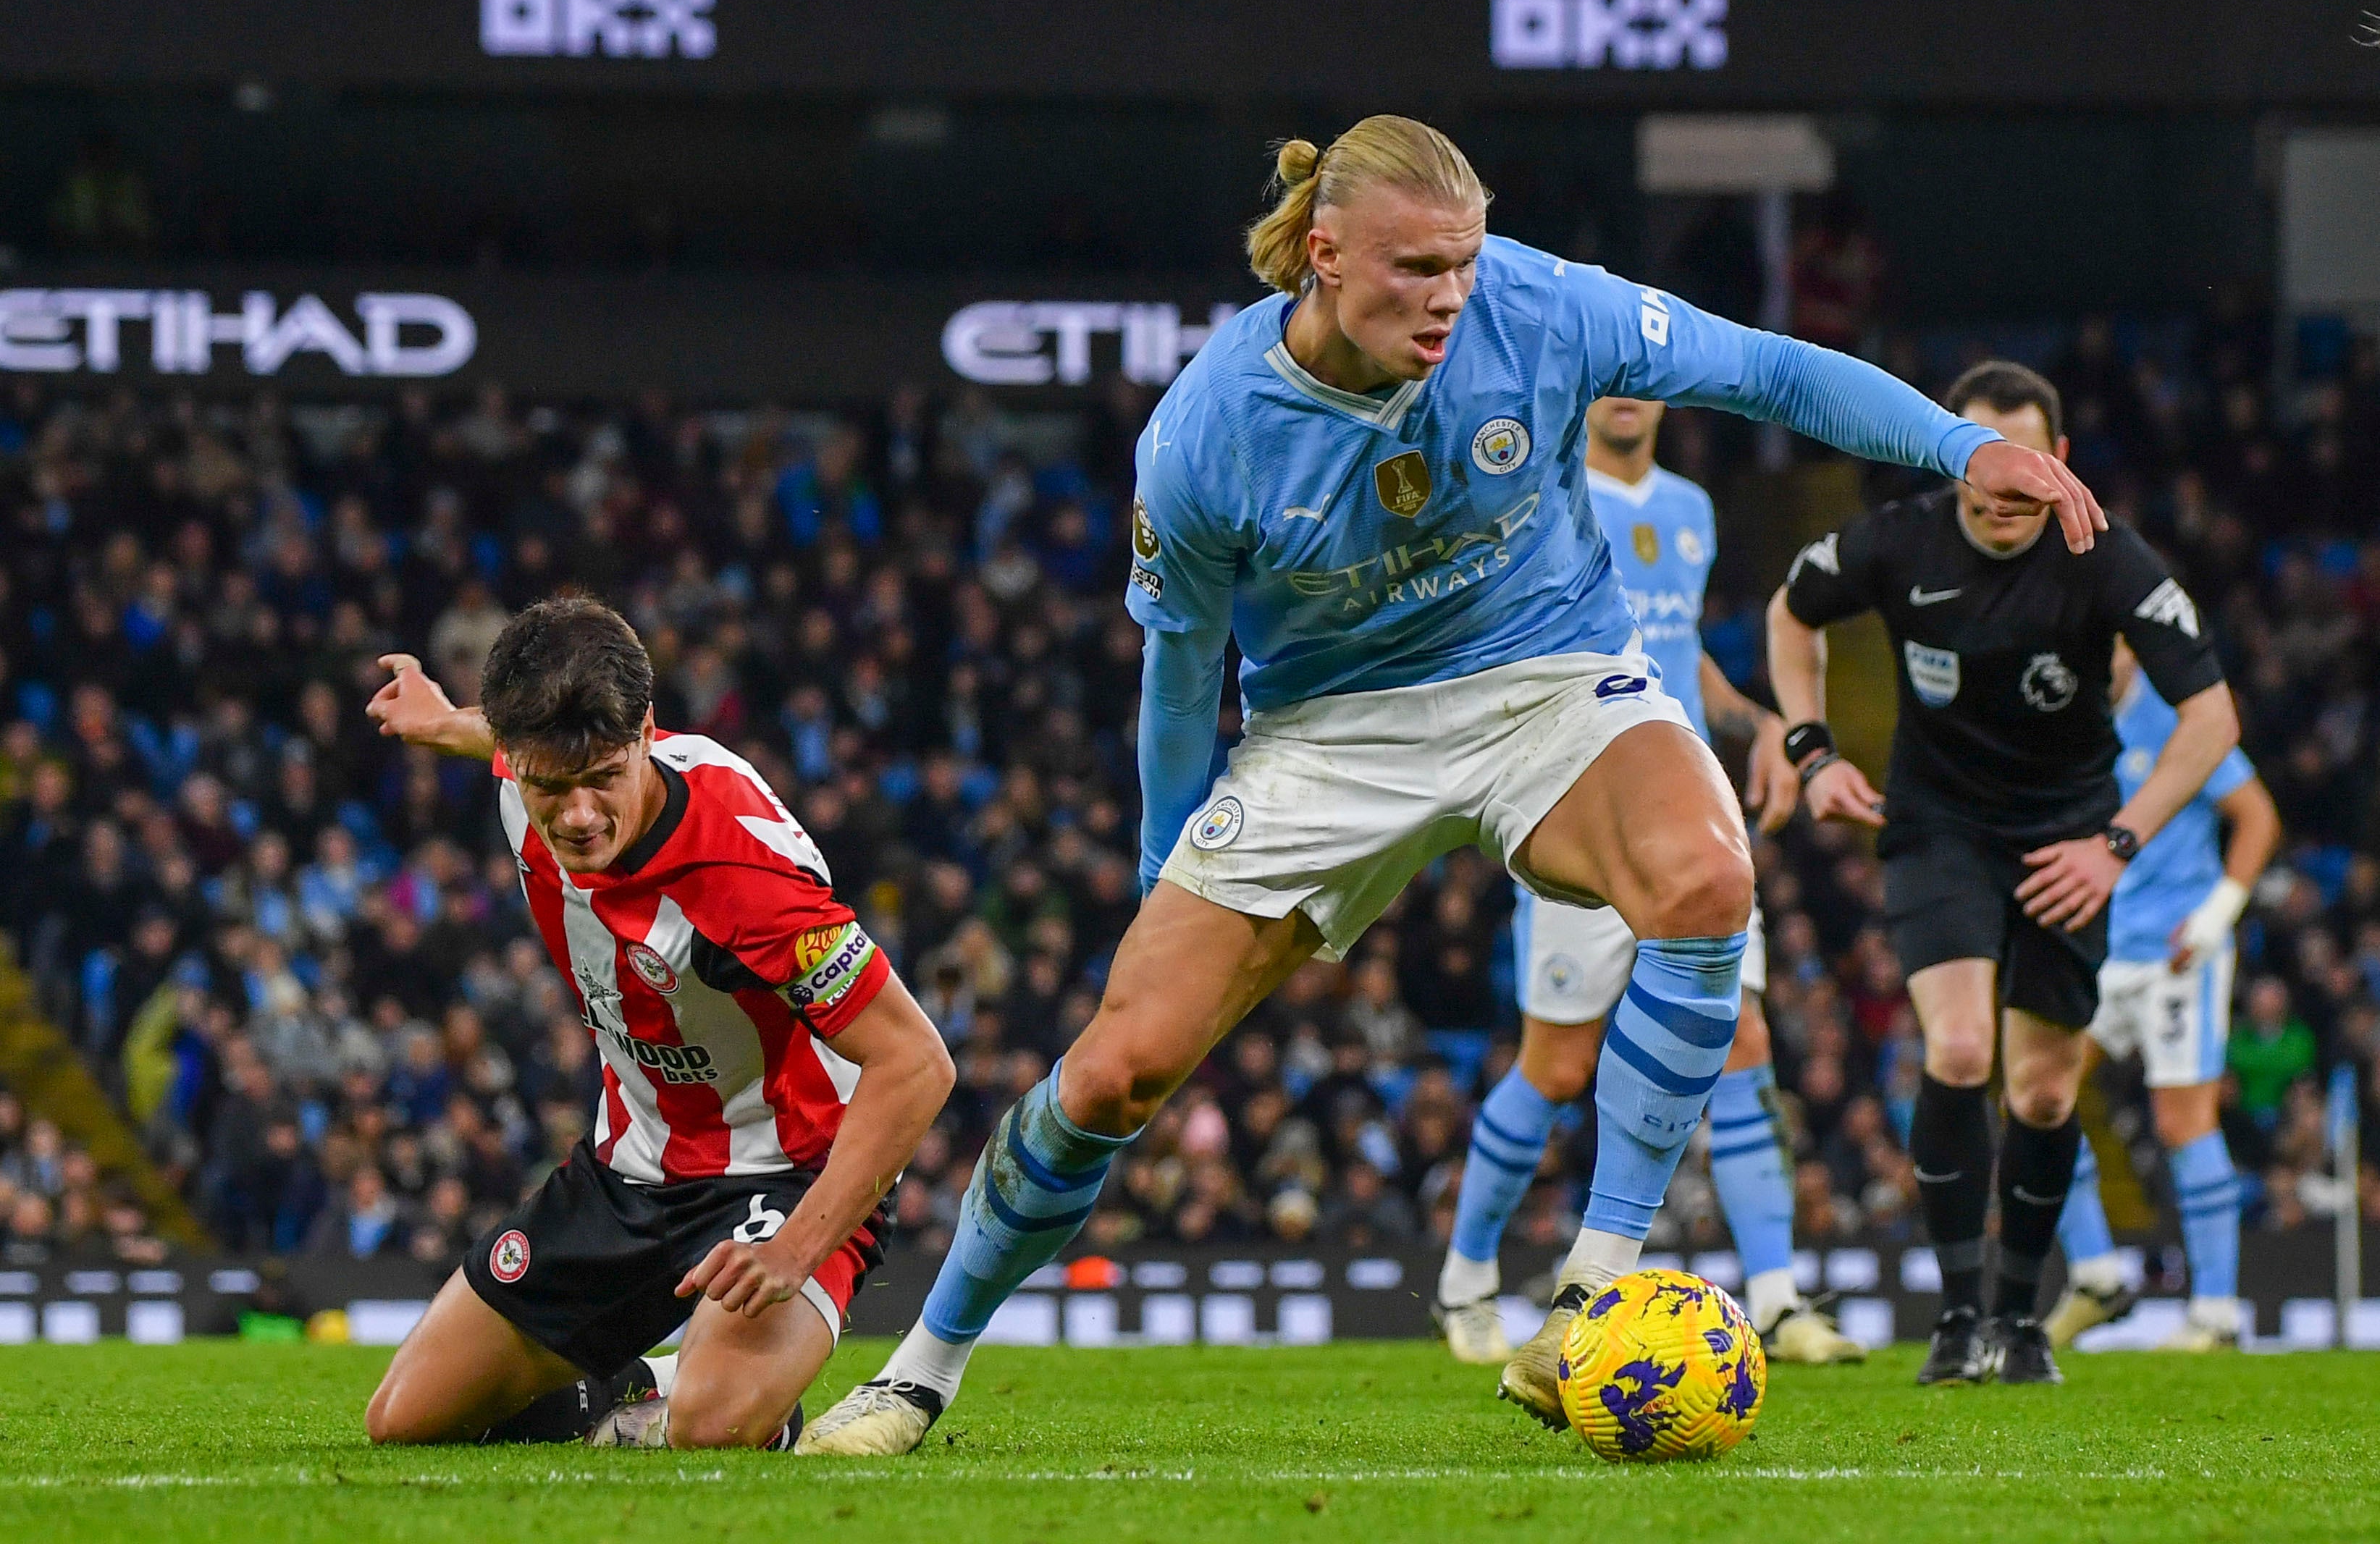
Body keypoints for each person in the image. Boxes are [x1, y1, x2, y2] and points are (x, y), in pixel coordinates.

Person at [802, 117, 2100, 1455]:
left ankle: (1590, 1289)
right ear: (1320, 256)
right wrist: (1157, 873)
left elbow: (1762, 368)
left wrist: (1956, 447)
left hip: (1544, 672)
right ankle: (919, 1369)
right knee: (1113, 1076)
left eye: (1462, 264)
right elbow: (1182, 675)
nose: (1447, 297)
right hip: (1327, 731)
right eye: (1415, 268)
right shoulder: (1207, 435)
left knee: (1707, 875)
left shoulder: (1539, 305)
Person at [357, 596, 953, 1450]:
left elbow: (918, 1064)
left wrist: (795, 1247)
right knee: (407, 1419)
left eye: (603, 778)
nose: (578, 815)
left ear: (644, 733)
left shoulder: (743, 874)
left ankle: (724, 1390)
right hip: (627, 1166)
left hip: (784, 1170)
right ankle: (633, 1383)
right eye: (548, 786)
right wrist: (444, 720)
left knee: (711, 1425)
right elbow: (509, 741)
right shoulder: (533, 762)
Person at [1767, 360, 2238, 1386]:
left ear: (2057, 462)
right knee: (1958, 1049)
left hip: (2065, 840)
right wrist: (1811, 750)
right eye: (1983, 467)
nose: (1999, 494)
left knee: (2035, 1093)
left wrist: (2115, 845)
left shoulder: (2105, 556)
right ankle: (1954, 1313)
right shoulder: (1896, 538)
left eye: (2024, 471)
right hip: (1937, 827)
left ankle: (2020, 1324)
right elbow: (1789, 613)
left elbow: (2210, 720)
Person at [1433, 395, 1867, 1402]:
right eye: (1606, 379)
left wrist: (1751, 718)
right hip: (1579, 799)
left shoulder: (1690, 509)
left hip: (1685, 811)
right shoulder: (1538, 492)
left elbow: (1679, 649)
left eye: (1642, 378)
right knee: (1553, 1066)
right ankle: (1463, 1283)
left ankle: (1776, 1299)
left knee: (1744, 1041)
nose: (1626, 394)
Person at [2046, 645, 2278, 1352]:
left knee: (2181, 1121)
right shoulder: (2071, 715)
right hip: (2106, 947)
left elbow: (2256, 815)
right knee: (2036, 1093)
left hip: (2179, 951)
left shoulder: (2181, 715)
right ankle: (2094, 1276)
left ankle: (2214, 1313)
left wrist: (2215, 917)